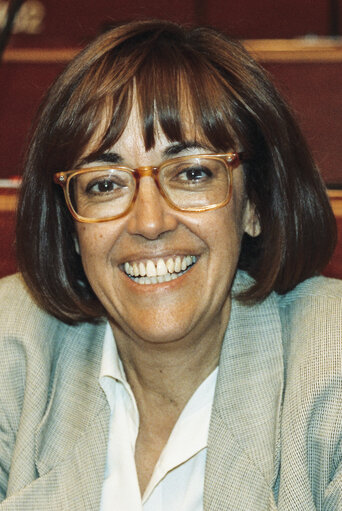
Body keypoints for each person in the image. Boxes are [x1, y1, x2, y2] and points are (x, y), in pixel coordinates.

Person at [0, 19, 341, 511]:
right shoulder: (14, 349)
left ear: (255, 205)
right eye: (105, 183)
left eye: (192, 173)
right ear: (71, 225)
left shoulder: (331, 364)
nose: (150, 221)